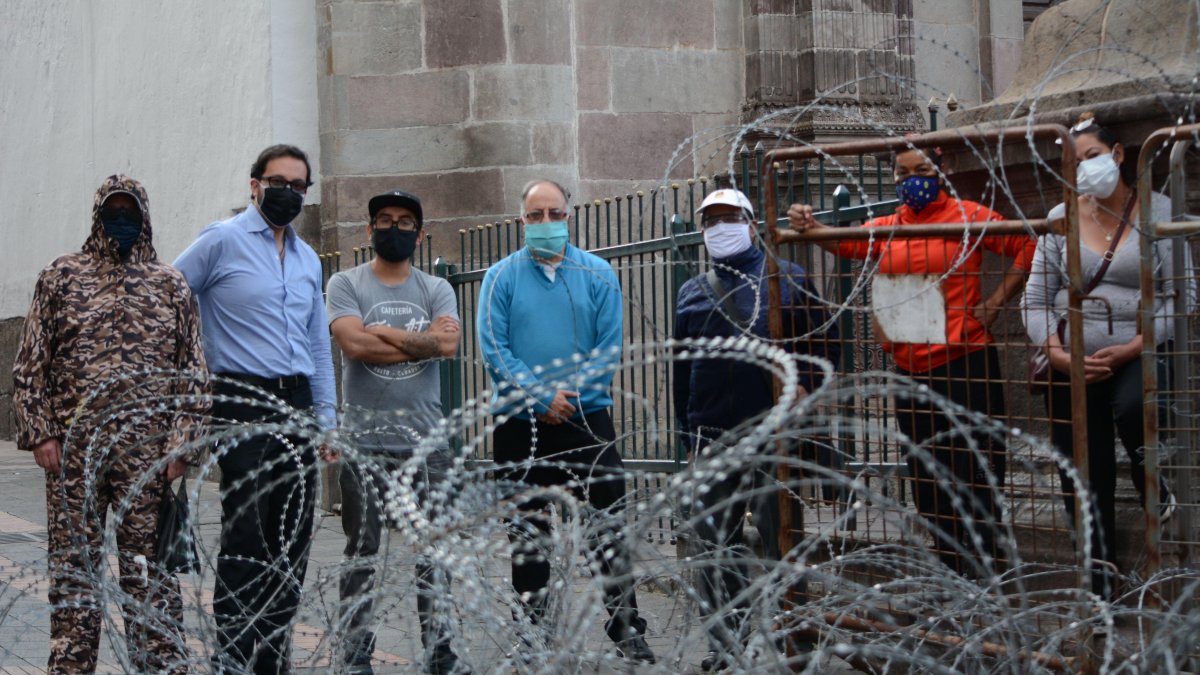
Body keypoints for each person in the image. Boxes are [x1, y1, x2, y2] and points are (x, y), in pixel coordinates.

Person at [788, 146, 1036, 577]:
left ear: (939, 172)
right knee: (927, 478)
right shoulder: (886, 228)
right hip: (912, 370)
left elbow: (1028, 243)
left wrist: (997, 301)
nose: (913, 179)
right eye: (904, 172)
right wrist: (809, 226)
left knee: (975, 472)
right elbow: (840, 241)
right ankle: (949, 572)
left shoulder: (967, 216)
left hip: (966, 362)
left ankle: (985, 571)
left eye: (922, 170)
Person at [12, 175, 207, 674]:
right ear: (98, 217)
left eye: (130, 212)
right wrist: (41, 433)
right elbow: (30, 365)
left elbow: (194, 373)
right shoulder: (61, 278)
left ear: (144, 216)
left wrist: (182, 446)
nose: (121, 221)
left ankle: (160, 666)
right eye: (112, 213)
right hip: (75, 457)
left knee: (151, 577)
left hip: (148, 460)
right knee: (74, 576)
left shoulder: (170, 285)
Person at [476, 179, 655, 664]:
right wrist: (540, 397)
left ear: (568, 217)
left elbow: (608, 345)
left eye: (554, 214)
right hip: (519, 423)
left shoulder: (597, 273)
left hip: (585, 418)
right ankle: (532, 633)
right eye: (535, 216)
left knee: (607, 526)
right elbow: (495, 350)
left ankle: (625, 625)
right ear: (522, 222)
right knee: (529, 535)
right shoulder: (500, 278)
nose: (545, 224)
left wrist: (568, 400)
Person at [174, 144, 337, 673]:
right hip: (241, 398)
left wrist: (326, 420)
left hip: (296, 402)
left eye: (298, 185)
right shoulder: (220, 241)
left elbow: (318, 347)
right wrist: (191, 381)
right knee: (248, 531)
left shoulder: (309, 257)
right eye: (279, 182)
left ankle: (274, 654)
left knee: (292, 531)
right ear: (254, 184)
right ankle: (235, 656)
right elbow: (169, 297)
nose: (288, 192)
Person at [1021, 113, 1191, 598]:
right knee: (1082, 471)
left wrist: (1136, 346)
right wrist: (1057, 354)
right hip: (1070, 361)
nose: (1084, 170)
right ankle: (1100, 584)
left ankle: (1160, 506)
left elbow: (1183, 295)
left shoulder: (1159, 211)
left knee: (1138, 407)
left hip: (1139, 351)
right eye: (1073, 163)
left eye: (1091, 157)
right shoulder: (1060, 219)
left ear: (1117, 155)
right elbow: (1034, 300)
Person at [673, 188, 839, 671]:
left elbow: (826, 341)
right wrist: (688, 433)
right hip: (712, 431)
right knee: (714, 544)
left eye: (728, 217)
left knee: (781, 537)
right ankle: (726, 645)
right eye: (710, 220)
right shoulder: (693, 290)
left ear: (750, 223)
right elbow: (682, 367)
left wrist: (807, 386)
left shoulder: (788, 279)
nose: (718, 227)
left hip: (772, 430)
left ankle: (796, 640)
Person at [325, 190, 466, 674]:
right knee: (361, 553)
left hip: (426, 445)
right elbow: (352, 343)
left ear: (420, 234)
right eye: (384, 220)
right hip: (363, 443)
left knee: (433, 556)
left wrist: (380, 331)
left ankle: (440, 653)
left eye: (406, 222)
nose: (395, 228)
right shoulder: (345, 282)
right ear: (369, 230)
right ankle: (356, 654)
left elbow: (448, 346)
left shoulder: (436, 288)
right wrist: (418, 341)